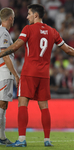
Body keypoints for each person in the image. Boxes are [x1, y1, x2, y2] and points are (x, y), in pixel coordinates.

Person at [0, 4, 74, 147]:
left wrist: (1, 53)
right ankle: (47, 140)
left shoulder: (28, 29)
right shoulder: (52, 31)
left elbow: (16, 46)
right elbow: (67, 49)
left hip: (29, 72)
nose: (27, 16)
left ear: (36, 15)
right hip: (44, 74)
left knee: (23, 104)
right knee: (44, 106)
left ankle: (22, 140)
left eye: (29, 14)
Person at [0, 7, 19, 145]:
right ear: (10, 18)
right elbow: (6, 56)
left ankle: (2, 137)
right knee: (2, 104)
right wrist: (16, 75)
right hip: (4, 71)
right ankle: (1, 138)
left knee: (2, 105)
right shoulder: (4, 34)